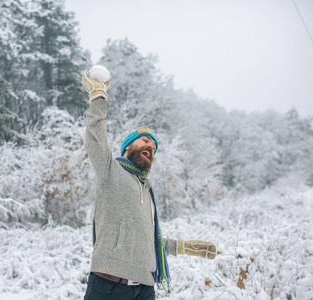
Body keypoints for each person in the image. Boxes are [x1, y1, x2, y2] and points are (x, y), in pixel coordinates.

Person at [82, 66, 217, 300]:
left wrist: (184, 247)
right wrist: (98, 96)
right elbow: (95, 135)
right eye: (145, 141)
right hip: (109, 284)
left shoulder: (146, 189)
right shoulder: (109, 171)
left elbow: (146, 239)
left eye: (154, 147)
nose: (150, 147)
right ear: (128, 146)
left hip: (144, 288)